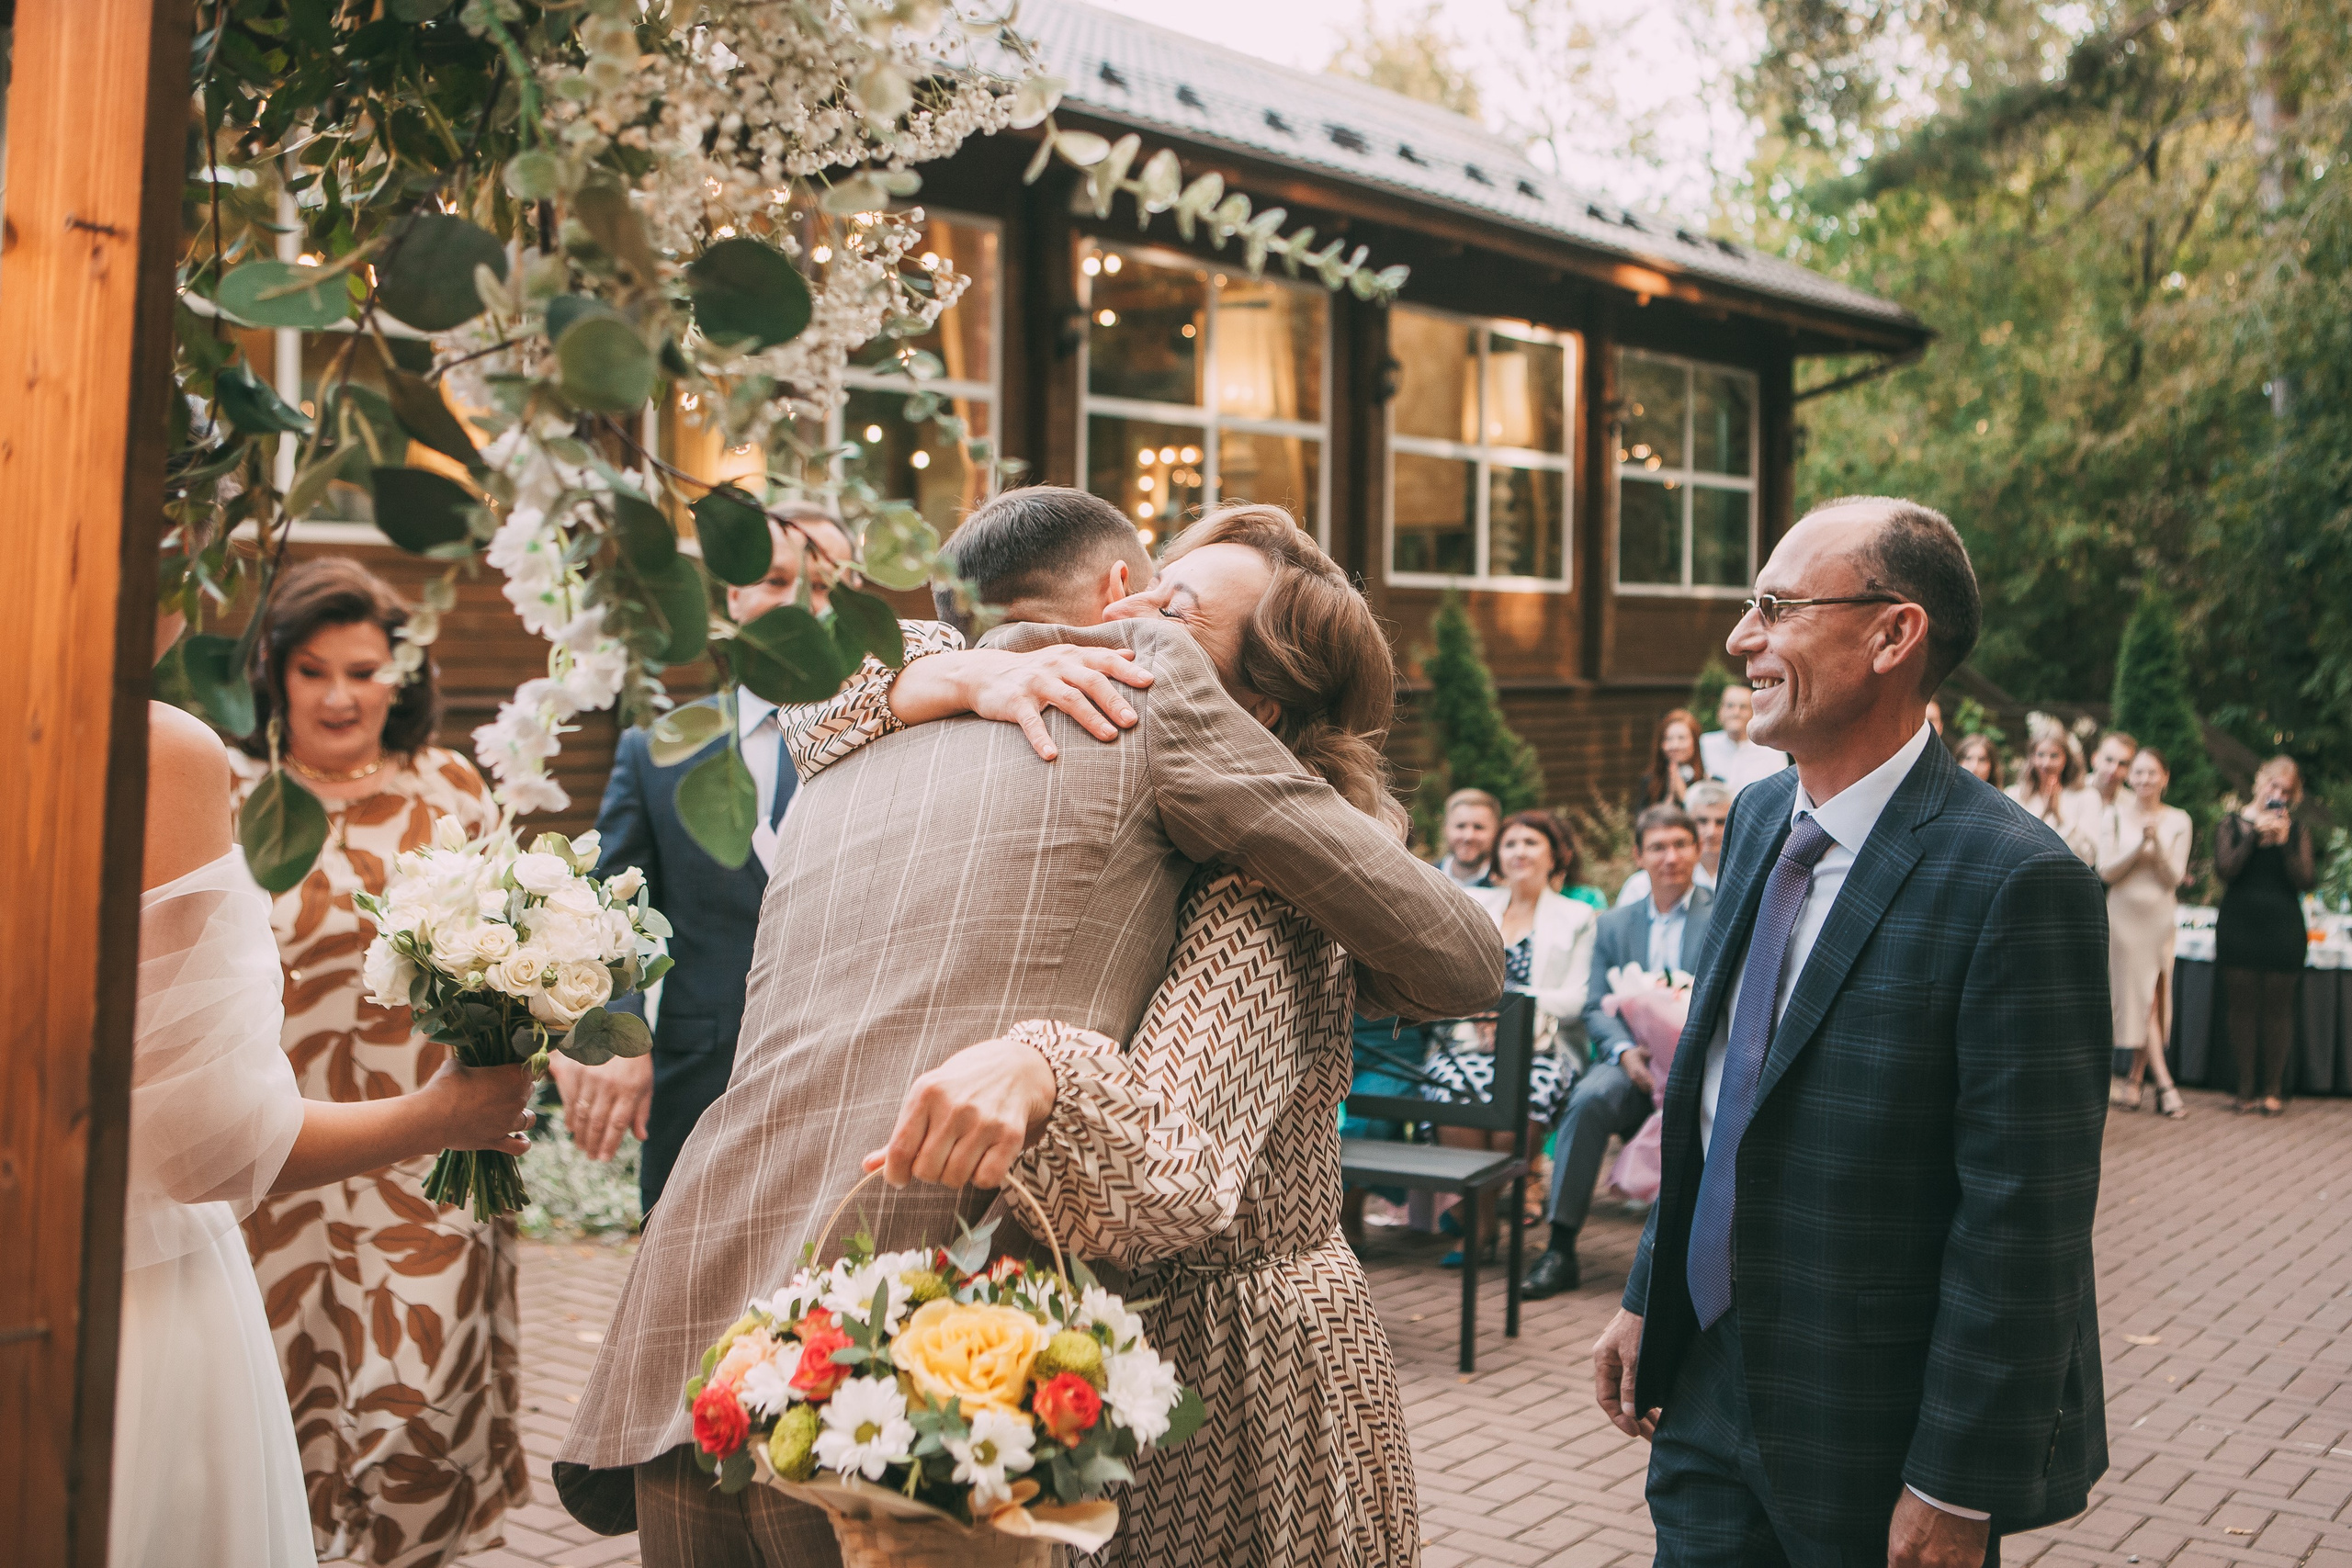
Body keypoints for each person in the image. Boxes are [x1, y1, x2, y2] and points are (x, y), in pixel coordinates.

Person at [554, 488, 1502, 1561]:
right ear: (1107, 593)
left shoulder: (851, 723)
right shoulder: (1101, 709)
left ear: (1268, 710)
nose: (1145, 612)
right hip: (909, 1361)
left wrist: (934, 668)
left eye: (1174, 606)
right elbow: (1463, 966)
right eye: (1147, 586)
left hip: (700, 1323)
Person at [1592, 497, 2111, 1567]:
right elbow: (1718, 1093)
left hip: (1873, 1431)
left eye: (1775, 608)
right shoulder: (1750, 823)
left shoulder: (2019, 882)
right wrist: (1651, 1295)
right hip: (1702, 1391)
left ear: (1892, 635)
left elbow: (2023, 1222)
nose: (1742, 639)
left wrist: (1956, 1482)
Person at [130, 627, 532, 1568]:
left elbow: (516, 942)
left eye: (363, 672)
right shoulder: (226, 786)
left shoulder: (454, 791)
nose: (339, 696)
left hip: (421, 1154)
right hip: (279, 1160)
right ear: (276, 681)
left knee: (412, 1415)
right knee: (300, 1403)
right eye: (314, 672)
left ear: (404, 680)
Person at [549, 504, 852, 1210]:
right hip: (699, 1079)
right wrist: (620, 1036)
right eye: (777, 580)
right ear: (735, 597)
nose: (801, 603)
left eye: (823, 584)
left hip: (851, 1077)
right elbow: (606, 910)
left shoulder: (899, 741)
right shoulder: (656, 750)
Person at [1523, 805, 1714, 1301]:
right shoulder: (1614, 924)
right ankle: (1560, 1248)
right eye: (1657, 847)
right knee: (1587, 1101)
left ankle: (1693, 1260)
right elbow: (1595, 1003)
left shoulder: (1725, 912)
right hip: (1630, 1065)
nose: (1670, 857)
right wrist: (1626, 1050)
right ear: (1638, 855)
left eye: (1680, 844)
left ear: (1697, 849)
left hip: (1700, 1065)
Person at [1423, 809, 1601, 1267]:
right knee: (1452, 1089)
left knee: (1517, 1105)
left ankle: (1479, 1221)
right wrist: (1476, 1010)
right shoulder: (1472, 902)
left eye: (1531, 843)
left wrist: (1509, 1007)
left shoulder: (1578, 915)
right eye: (1510, 843)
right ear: (1498, 856)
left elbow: (1578, 997)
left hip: (1540, 1046)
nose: (1519, 852)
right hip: (1467, 1040)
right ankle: (1482, 1222)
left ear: (1555, 854)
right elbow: (1447, 974)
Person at [2215, 755, 2318, 1116]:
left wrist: (2286, 841)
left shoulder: (2298, 830)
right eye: (2273, 786)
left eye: (2286, 791)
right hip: (2239, 923)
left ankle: (2273, 1089)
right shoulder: (2232, 823)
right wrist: (2253, 836)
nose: (2278, 795)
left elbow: (2305, 880)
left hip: (2283, 925)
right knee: (2240, 1007)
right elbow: (2225, 870)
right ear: (2259, 783)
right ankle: (2244, 1089)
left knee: (2279, 1009)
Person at [2096, 748, 2193, 1119]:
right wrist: (2140, 847)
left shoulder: (2179, 819)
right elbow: (2107, 870)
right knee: (2140, 998)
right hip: (2123, 917)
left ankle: (2135, 1081)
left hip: (2158, 916)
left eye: (2152, 773)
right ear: (2129, 777)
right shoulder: (2114, 814)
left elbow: (2174, 876)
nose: (2144, 779)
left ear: (2165, 778)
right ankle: (2165, 1084)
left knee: (2152, 995)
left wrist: (2158, 848)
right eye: (2138, 772)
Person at [1619, 779, 1729, 907]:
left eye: (1721, 822)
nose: (1711, 832)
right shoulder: (1641, 886)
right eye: (1702, 821)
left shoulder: (1744, 876)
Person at [2007, 712, 2096, 863]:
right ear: (2032, 757)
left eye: (2054, 756)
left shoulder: (2086, 797)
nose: (2046, 764)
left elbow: (2089, 857)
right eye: (2040, 755)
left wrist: (2059, 816)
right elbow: (2011, 847)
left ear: (2066, 759)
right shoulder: (2014, 795)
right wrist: (2044, 813)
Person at [1699, 684, 1790, 794]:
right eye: (1730, 706)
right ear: (1720, 712)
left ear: (1753, 713)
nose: (1736, 712)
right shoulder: (1704, 744)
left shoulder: (1773, 752)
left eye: (1743, 707)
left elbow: (1781, 793)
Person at [1641, 707, 1713, 809]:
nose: (1675, 745)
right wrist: (1670, 796)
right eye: (1668, 739)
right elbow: (1643, 821)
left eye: (1682, 738)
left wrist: (1684, 798)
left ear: (1695, 742)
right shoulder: (1650, 781)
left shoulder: (1709, 782)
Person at [1437, 786, 1503, 887]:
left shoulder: (1506, 886)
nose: (1468, 836)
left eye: (1478, 827)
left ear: (1496, 832)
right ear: (1446, 829)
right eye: (1460, 826)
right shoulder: (1424, 878)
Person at [2087, 729, 2138, 809]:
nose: (2114, 769)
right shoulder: (2072, 791)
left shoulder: (2133, 805)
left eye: (2122, 764)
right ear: (2094, 759)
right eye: (2109, 760)